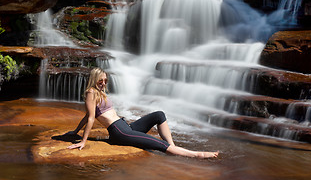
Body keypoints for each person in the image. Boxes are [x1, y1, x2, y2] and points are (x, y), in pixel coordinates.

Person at [65, 67, 219, 158]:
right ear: (94, 80)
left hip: (125, 127)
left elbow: (86, 116)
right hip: (119, 132)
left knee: (159, 115)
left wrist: (75, 131)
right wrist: (83, 141)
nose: (104, 84)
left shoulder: (100, 93)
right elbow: (91, 117)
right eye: (100, 81)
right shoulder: (91, 93)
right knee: (159, 144)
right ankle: (198, 154)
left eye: (105, 81)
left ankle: (173, 148)